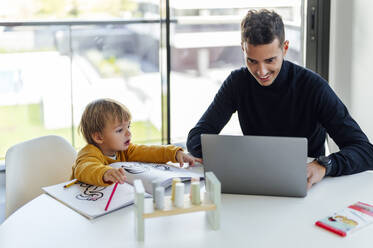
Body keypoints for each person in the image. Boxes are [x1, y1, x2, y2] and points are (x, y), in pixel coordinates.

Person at [186, 9, 373, 190]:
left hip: (304, 185)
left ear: (284, 48)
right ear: (243, 49)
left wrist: (324, 165)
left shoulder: (313, 87)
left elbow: (365, 151)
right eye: (252, 60)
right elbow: (196, 137)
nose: (261, 72)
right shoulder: (237, 82)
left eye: (270, 60)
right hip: (254, 182)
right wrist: (236, 155)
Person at [72, 98, 201, 186]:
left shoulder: (125, 150)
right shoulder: (88, 153)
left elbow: (149, 152)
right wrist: (105, 173)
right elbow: (85, 168)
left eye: (128, 127)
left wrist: (174, 154)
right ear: (99, 137)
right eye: (119, 130)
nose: (128, 133)